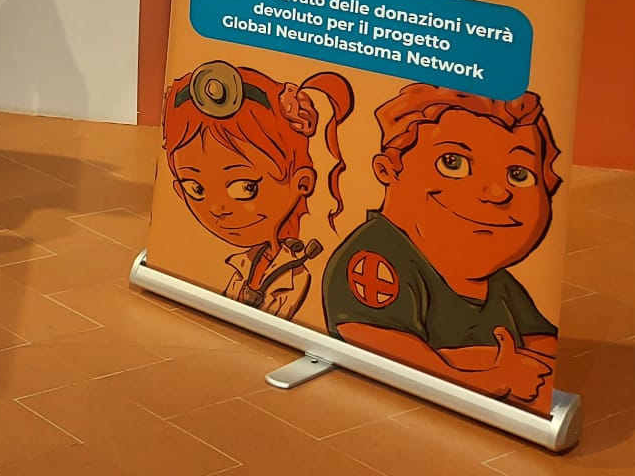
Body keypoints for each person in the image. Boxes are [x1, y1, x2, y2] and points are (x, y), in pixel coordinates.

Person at [321, 84, 561, 411]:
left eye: (518, 174)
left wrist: (539, 371)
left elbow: (539, 339)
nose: (496, 193)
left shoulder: (498, 282)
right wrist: (489, 380)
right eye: (453, 163)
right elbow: (373, 338)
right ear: (388, 170)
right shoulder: (377, 256)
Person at [162, 60, 353, 319]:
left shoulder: (293, 276)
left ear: (302, 182)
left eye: (245, 187)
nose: (217, 208)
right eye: (195, 188)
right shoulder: (241, 263)